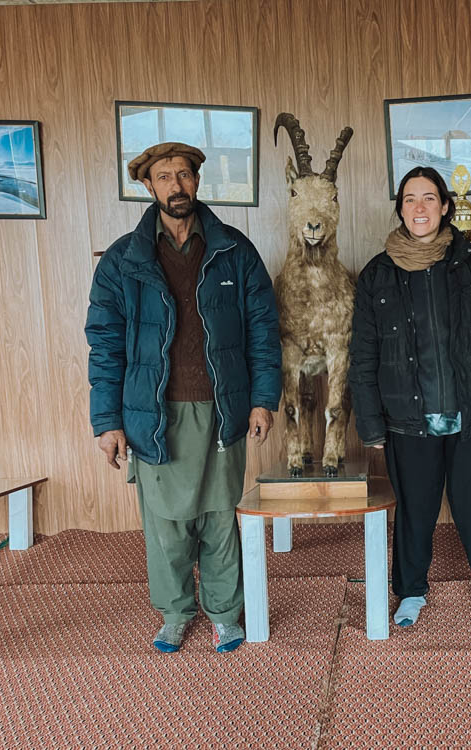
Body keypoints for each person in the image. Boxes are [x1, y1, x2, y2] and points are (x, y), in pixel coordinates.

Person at [85, 142, 281, 653]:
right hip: (153, 412)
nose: (176, 185)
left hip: (221, 407)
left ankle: (224, 612)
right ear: (148, 187)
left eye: (185, 175)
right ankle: (175, 612)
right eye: (164, 177)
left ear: (197, 181)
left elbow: (263, 330)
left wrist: (263, 399)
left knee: (219, 518)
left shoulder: (235, 251)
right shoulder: (123, 262)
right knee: (167, 524)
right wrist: (107, 422)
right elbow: (104, 347)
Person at [349, 166, 471, 634]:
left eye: (429, 198)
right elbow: (363, 354)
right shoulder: (377, 275)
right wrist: (370, 423)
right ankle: (410, 592)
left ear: (446, 206)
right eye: (410, 199)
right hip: (408, 421)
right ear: (400, 208)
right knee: (415, 513)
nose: (420, 208)